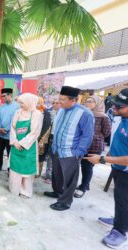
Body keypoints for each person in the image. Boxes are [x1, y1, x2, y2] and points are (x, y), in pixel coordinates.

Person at [85, 88, 128, 249]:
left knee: (124, 200)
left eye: (120, 106)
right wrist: (110, 154)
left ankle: (120, 231)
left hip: (125, 170)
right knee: (119, 198)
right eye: (115, 104)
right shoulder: (122, 119)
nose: (114, 108)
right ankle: (120, 219)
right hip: (118, 166)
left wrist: (103, 158)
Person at [44, 86, 94, 211]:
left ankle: (65, 202)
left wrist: (78, 152)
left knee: (69, 179)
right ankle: (57, 192)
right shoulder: (61, 110)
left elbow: (87, 136)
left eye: (63, 100)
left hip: (70, 152)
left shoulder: (85, 113)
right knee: (57, 175)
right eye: (59, 99)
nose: (59, 102)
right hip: (57, 149)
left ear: (73, 100)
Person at [74, 95, 111, 198]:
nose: (88, 103)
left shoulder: (103, 117)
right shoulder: (83, 114)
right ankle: (86, 184)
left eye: (91, 101)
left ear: (98, 103)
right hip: (82, 144)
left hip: (94, 145)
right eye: (87, 101)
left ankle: (83, 188)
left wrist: (95, 135)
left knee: (87, 166)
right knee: (81, 165)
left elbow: (107, 132)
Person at [9, 93, 43, 198]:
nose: (20, 105)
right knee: (15, 168)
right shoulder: (18, 112)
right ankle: (14, 189)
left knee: (26, 170)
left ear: (29, 102)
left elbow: (34, 132)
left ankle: (25, 192)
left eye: (22, 103)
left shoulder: (37, 114)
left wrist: (22, 143)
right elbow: (13, 128)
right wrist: (14, 142)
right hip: (15, 145)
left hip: (28, 147)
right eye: (19, 102)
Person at [0, 88, 19, 172]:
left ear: (10, 95)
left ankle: (10, 169)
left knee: (10, 154)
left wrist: (6, 129)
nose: (3, 98)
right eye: (2, 96)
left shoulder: (17, 106)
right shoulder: (1, 107)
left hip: (11, 135)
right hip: (0, 134)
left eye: (4, 96)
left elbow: (16, 120)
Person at [43, 98, 60, 184]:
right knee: (48, 156)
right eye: (54, 103)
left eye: (57, 103)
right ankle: (48, 175)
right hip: (49, 136)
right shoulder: (49, 113)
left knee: (54, 157)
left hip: (58, 137)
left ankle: (52, 176)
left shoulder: (63, 113)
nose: (55, 104)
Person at [37, 97, 52, 178]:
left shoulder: (46, 113)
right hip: (33, 138)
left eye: (38, 103)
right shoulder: (33, 111)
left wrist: (42, 141)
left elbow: (48, 128)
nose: (37, 104)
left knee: (40, 157)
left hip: (41, 139)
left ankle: (38, 173)